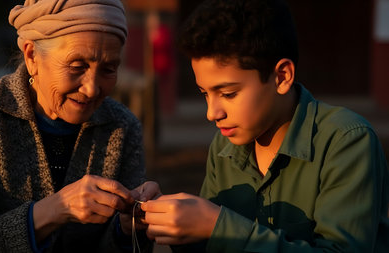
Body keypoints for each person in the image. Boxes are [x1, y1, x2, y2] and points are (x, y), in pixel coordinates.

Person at [141, 0, 389, 252]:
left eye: (227, 93)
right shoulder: (223, 145)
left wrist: (219, 226)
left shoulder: (345, 141)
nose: (212, 113)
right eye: (205, 93)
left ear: (281, 77)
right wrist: (163, 222)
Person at [0, 0, 160, 252]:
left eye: (108, 69)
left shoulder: (121, 126)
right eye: (77, 66)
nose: (92, 88)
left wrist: (127, 226)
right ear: (32, 56)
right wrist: (55, 209)